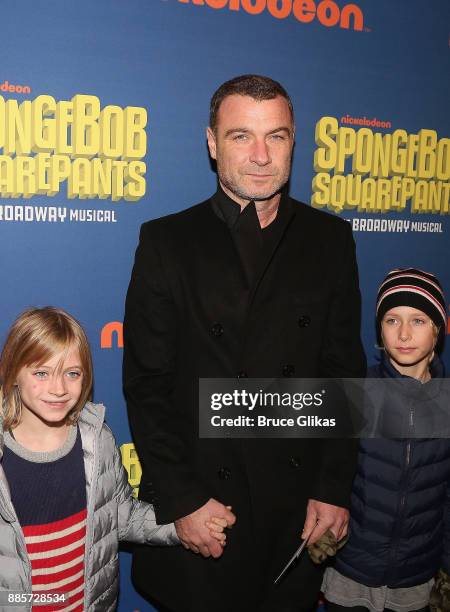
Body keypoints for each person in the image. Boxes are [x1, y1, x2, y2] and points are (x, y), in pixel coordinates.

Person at [123, 74, 366, 612]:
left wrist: (332, 487)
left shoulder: (330, 239)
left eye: (275, 136)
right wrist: (182, 500)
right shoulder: (166, 242)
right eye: (241, 136)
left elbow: (345, 374)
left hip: (294, 511)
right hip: (208, 505)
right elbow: (147, 385)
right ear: (212, 143)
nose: (260, 155)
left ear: (294, 141)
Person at [0, 307, 227, 612]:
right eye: (41, 372)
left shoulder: (97, 440)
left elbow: (121, 517)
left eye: (72, 373)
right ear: (14, 371)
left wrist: (185, 522)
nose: (59, 389)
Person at [322, 268, 450, 612]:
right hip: (350, 574)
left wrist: (446, 573)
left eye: (419, 321)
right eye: (392, 320)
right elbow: (322, 473)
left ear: (438, 329)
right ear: (380, 328)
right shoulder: (356, 391)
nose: (404, 334)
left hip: (415, 582)